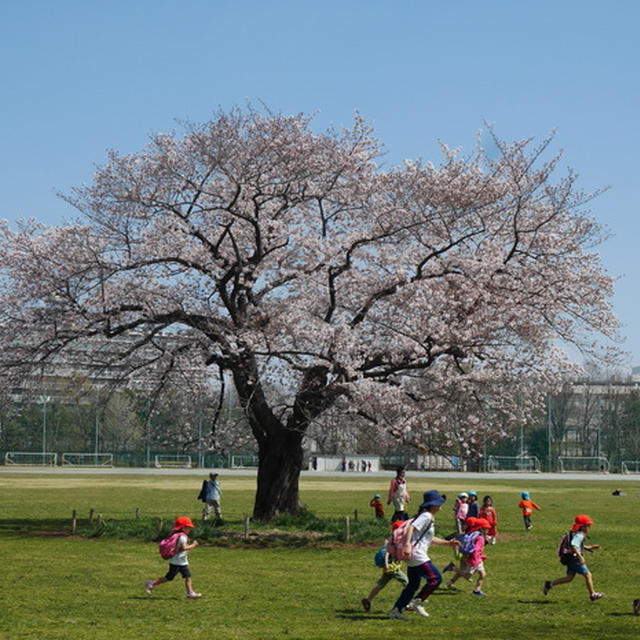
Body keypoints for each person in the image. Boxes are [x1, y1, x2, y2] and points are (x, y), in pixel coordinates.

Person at [388, 490, 459, 620]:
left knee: (413, 585)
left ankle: (396, 610)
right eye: (439, 503)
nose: (441, 506)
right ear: (433, 505)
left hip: (413, 555)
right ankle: (416, 602)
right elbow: (411, 528)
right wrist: (408, 545)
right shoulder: (426, 516)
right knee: (435, 578)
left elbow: (428, 538)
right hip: (416, 555)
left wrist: (448, 543)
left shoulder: (427, 516)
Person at [542, 514, 603, 602]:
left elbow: (575, 545)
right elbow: (573, 545)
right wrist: (580, 557)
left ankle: (550, 584)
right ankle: (592, 594)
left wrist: (588, 547)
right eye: (588, 526)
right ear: (582, 527)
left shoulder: (574, 533)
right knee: (587, 574)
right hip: (575, 559)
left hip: (570, 558)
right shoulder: (580, 535)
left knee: (569, 578)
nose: (589, 528)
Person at [145, 516, 202, 599]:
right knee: (177, 577)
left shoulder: (176, 535)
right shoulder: (183, 537)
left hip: (176, 561)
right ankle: (152, 583)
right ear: (183, 528)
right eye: (188, 527)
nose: (190, 529)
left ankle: (190, 592)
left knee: (183, 577)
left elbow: (180, 549)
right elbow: (184, 548)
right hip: (179, 562)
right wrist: (194, 545)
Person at [361, 521, 409, 612]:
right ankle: (406, 603)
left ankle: (368, 600)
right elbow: (388, 552)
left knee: (381, 585)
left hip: (391, 566)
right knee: (407, 583)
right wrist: (386, 564)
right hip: (391, 567)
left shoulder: (393, 537)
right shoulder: (395, 539)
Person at [442, 517, 490, 596]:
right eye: (486, 528)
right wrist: (475, 560)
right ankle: (453, 568)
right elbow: (476, 550)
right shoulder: (480, 538)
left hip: (475, 558)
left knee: (482, 574)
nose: (488, 530)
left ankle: (476, 590)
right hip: (474, 560)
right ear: (481, 529)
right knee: (467, 575)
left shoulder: (475, 535)